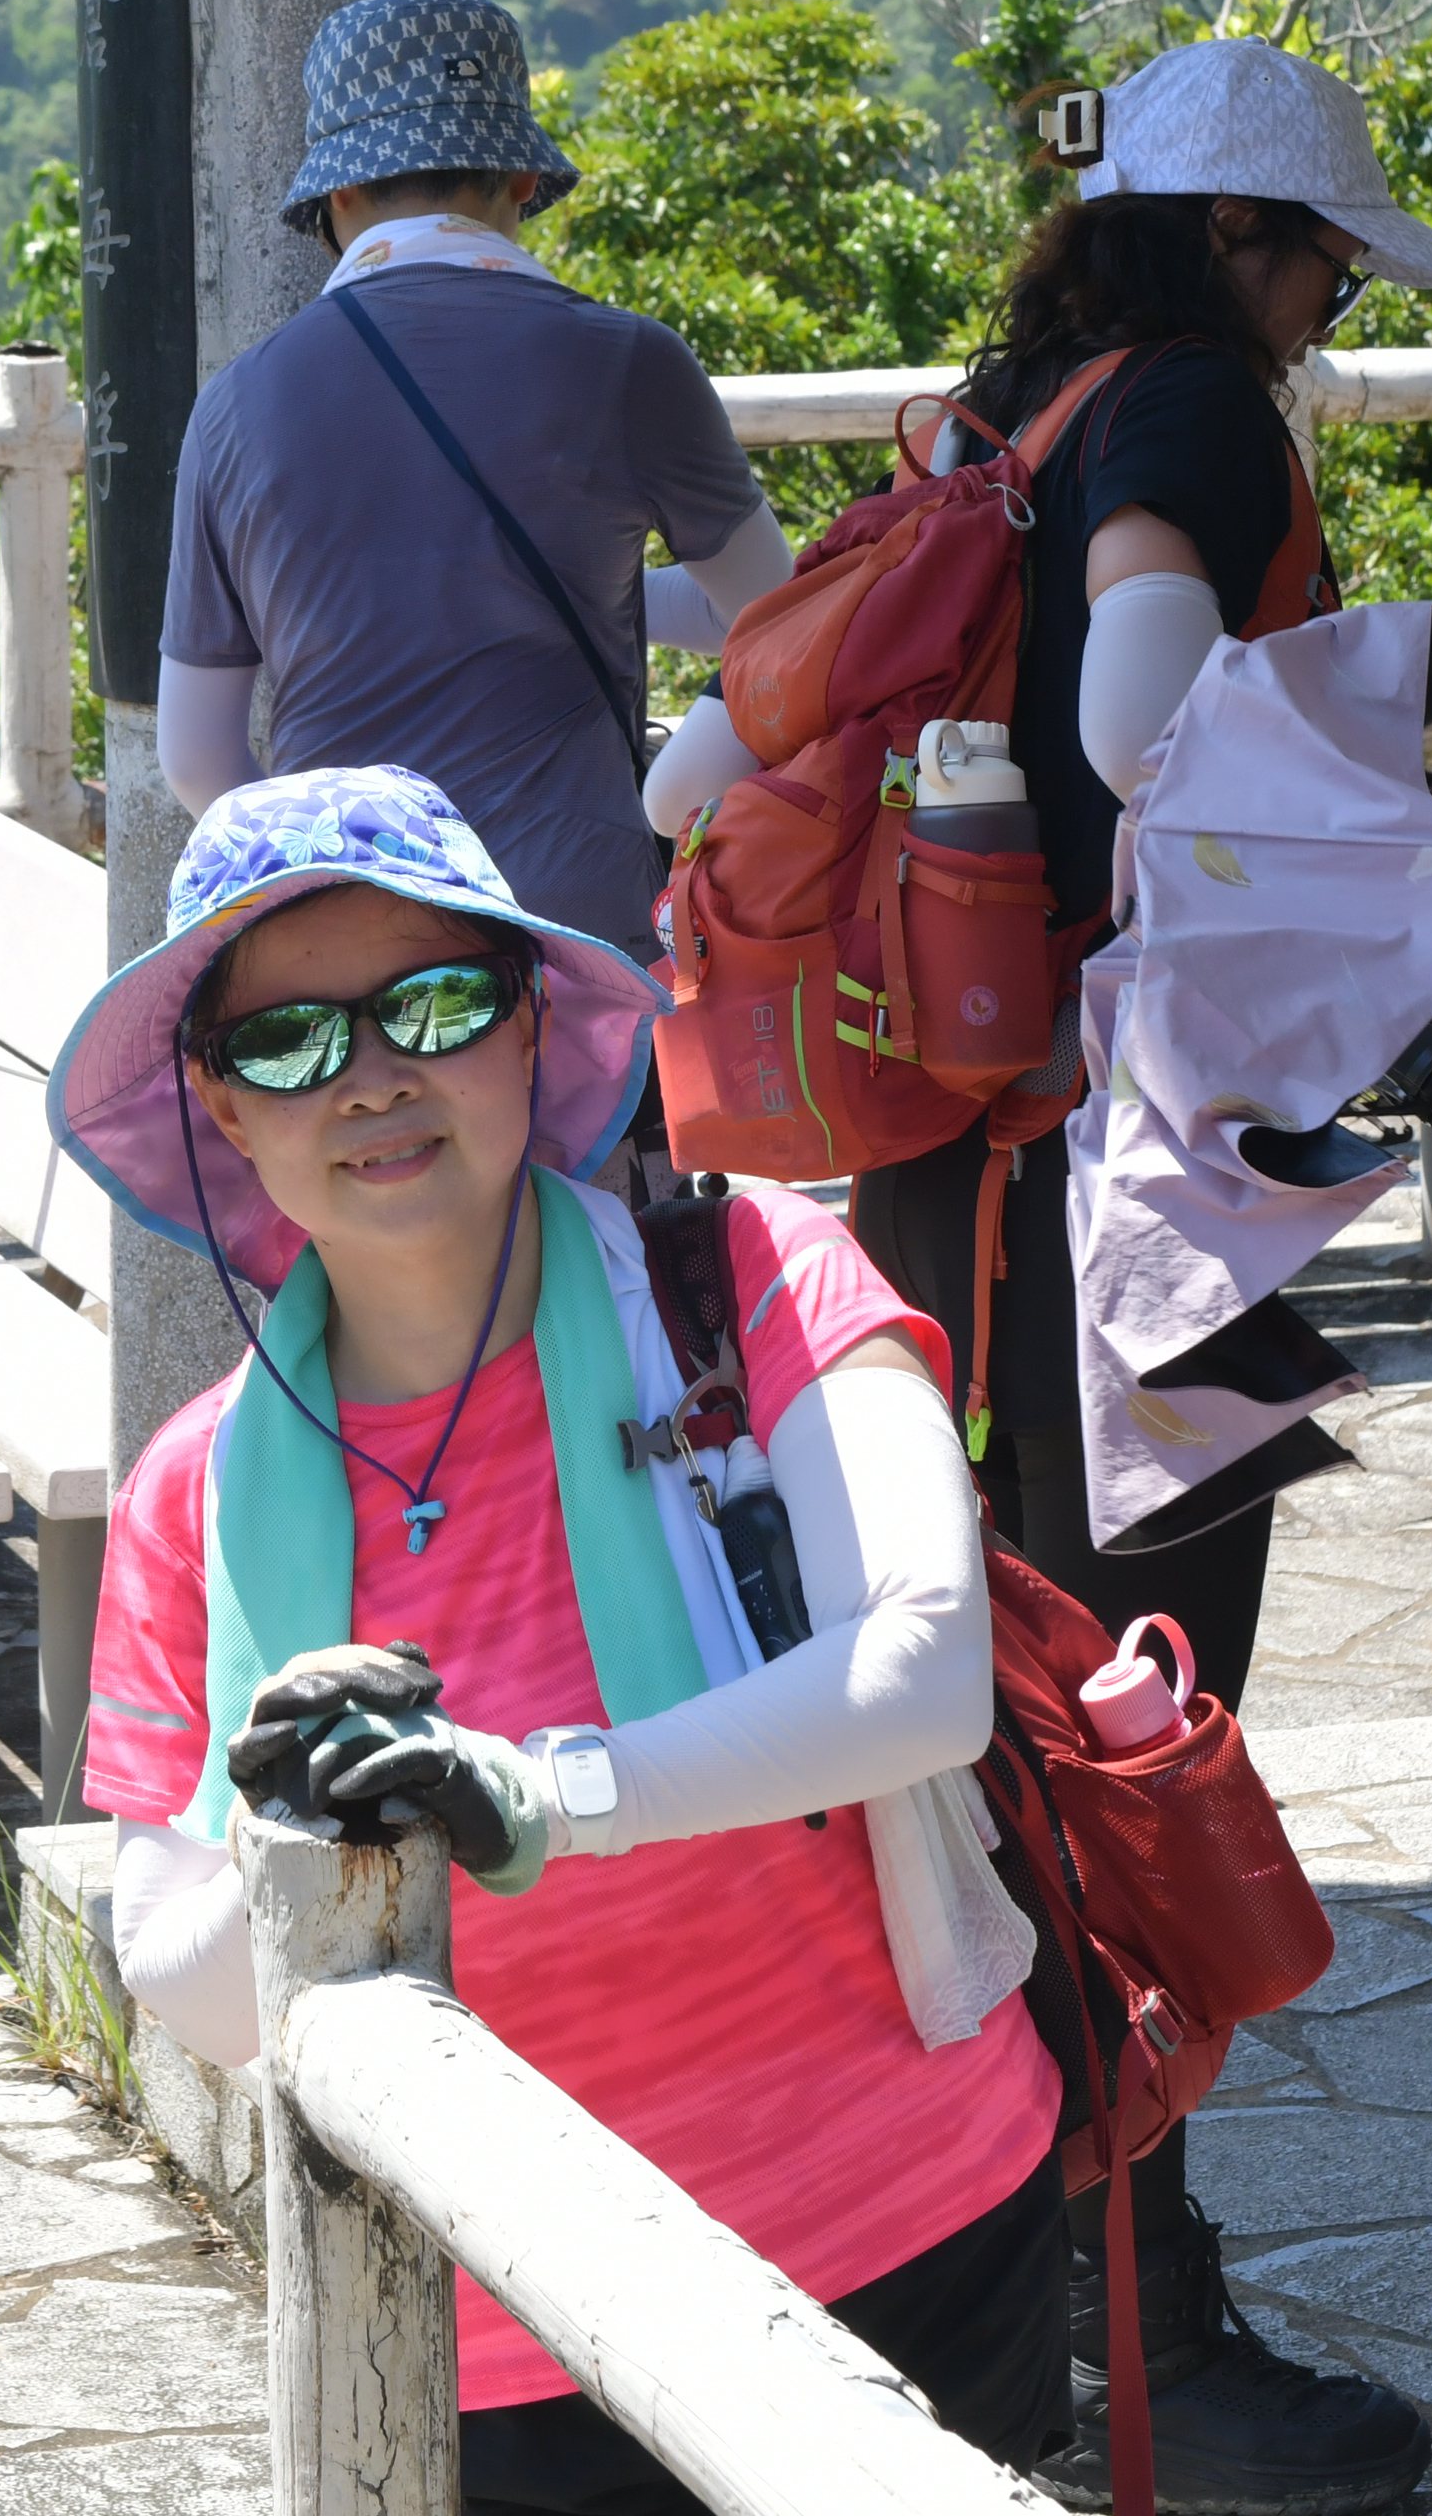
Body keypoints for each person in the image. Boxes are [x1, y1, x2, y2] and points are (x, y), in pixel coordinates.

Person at [61, 768, 1068, 2515]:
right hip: (486, 2310)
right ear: (220, 1105)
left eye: (437, 1006)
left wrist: (535, 1794)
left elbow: (924, 1676)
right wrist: (304, 1825)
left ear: (533, 1021)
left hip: (901, 2221)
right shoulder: (190, 1496)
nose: (372, 1078)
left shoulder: (749, 1277)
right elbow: (196, 1984)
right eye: (289, 1041)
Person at [793, 34, 1432, 2516]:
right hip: (1133, 1187)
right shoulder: (1186, 404)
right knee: (1135, 1739)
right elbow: (1138, 707)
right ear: (1240, 238)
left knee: (1008, 1729)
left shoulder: (1014, 402)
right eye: (1322, 267)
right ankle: (1135, 2339)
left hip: (954, 1172)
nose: (1323, 315)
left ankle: (992, 2286)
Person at [162, 0, 795, 950]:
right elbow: (778, 624)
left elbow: (197, 759)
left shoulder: (233, 407)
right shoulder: (628, 361)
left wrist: (329, 891)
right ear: (523, 180)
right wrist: (601, 586)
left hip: (355, 941)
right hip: (580, 935)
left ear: (338, 198)